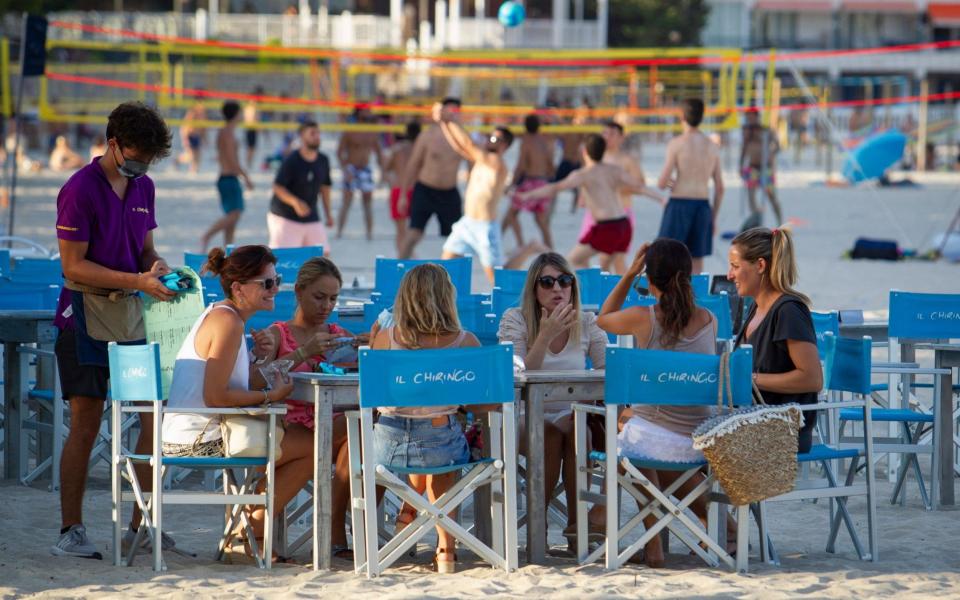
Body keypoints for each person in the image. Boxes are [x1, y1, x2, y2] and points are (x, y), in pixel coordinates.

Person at [51, 101, 174, 559]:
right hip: (83, 314)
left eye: (150, 158)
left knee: (149, 416)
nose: (142, 165)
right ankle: (71, 528)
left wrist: (154, 268)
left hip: (130, 315)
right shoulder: (79, 189)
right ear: (114, 143)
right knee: (85, 422)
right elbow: (73, 265)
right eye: (138, 155)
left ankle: (141, 525)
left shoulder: (145, 186)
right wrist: (137, 280)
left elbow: (145, 249)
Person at [161, 245, 312, 563]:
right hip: (198, 439)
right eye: (267, 283)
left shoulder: (224, 317)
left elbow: (237, 384)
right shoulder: (227, 323)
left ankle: (245, 534)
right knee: (313, 447)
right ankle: (247, 534)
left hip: (193, 431)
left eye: (277, 280)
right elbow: (216, 397)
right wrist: (271, 397)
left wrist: (262, 357)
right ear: (238, 287)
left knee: (294, 442)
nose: (275, 289)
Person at [596, 238, 735, 567]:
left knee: (630, 434)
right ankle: (721, 526)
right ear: (688, 275)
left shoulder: (643, 317)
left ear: (649, 277)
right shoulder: (709, 320)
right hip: (700, 442)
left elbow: (603, 318)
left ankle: (653, 542)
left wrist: (628, 273)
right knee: (638, 427)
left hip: (655, 442)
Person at [248, 256, 368, 558]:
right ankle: (331, 532)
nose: (326, 305)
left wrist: (368, 348)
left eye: (333, 299)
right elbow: (254, 381)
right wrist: (304, 352)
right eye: (319, 297)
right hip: (285, 429)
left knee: (358, 439)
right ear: (299, 291)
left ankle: (255, 526)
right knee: (355, 436)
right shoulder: (277, 334)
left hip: (329, 427)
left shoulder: (339, 335)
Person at [370, 264, 482, 574]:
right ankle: (446, 548)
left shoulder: (386, 337)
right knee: (442, 453)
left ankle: (406, 521)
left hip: (386, 448)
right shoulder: (466, 341)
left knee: (426, 448)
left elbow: (376, 397)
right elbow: (485, 404)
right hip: (440, 444)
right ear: (448, 298)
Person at [497, 252, 607, 548]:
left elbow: (609, 370)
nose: (557, 288)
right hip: (522, 415)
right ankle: (538, 527)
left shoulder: (585, 320)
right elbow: (516, 376)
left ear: (573, 286)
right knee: (547, 434)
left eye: (564, 281)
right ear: (534, 289)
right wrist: (545, 335)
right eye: (547, 282)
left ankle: (576, 528)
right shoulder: (515, 319)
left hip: (571, 417)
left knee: (576, 429)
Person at [727, 227, 822, 453]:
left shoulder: (788, 311)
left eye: (735, 266)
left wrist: (751, 379)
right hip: (754, 420)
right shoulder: (755, 307)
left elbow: (812, 379)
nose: (729, 275)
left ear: (760, 266)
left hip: (783, 429)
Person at [433, 104, 542, 282]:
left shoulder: (497, 163)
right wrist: (444, 124)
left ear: (504, 145)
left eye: (495, 139)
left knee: (498, 279)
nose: (490, 140)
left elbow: (468, 143)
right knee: (444, 267)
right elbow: (461, 148)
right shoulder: (482, 160)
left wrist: (450, 119)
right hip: (467, 222)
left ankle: (529, 248)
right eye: (490, 136)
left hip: (485, 228)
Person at [517, 134, 646, 271]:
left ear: (584, 152)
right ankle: (605, 290)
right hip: (623, 223)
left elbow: (555, 187)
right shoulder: (613, 170)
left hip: (608, 226)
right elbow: (640, 186)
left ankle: (597, 290)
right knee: (604, 265)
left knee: (573, 261)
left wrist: (528, 195)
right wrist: (661, 198)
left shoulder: (583, 174)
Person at [578, 121, 665, 273]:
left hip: (620, 213)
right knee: (583, 257)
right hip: (595, 214)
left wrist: (616, 188)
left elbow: (640, 185)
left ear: (621, 138)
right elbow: (586, 178)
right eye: (605, 133)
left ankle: (618, 293)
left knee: (616, 260)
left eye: (612, 134)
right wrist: (583, 196)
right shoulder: (596, 157)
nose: (607, 137)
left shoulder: (627, 160)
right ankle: (597, 289)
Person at [656, 97, 724, 274]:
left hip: (679, 203)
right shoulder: (712, 146)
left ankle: (670, 300)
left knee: (668, 257)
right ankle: (694, 299)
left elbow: (662, 183)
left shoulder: (677, 144)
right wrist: (713, 217)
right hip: (702, 206)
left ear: (682, 116)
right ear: (702, 117)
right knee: (696, 262)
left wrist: (671, 181)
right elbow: (720, 188)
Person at [397, 97, 465, 259]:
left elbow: (474, 165)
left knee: (457, 239)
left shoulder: (463, 138)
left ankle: (452, 278)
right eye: (448, 111)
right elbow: (413, 165)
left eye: (455, 112)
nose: (451, 115)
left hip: (449, 192)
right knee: (413, 235)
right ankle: (397, 271)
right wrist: (403, 195)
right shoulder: (427, 136)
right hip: (426, 189)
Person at [267, 120, 335, 249]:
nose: (317, 137)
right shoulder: (292, 159)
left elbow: (325, 188)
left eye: (318, 133)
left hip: (311, 215)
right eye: (312, 133)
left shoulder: (323, 160)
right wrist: (295, 202)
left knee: (322, 256)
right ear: (302, 137)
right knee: (286, 259)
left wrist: (328, 214)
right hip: (285, 215)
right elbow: (277, 187)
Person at [200, 101, 255, 251]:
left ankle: (228, 250)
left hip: (226, 178)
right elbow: (232, 160)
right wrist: (247, 178)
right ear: (236, 114)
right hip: (228, 179)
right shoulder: (228, 133)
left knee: (232, 219)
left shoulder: (223, 131)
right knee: (234, 215)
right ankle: (207, 236)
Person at [501, 113, 556, 249]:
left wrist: (511, 184)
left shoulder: (526, 142)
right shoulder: (544, 141)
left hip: (530, 182)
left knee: (511, 214)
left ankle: (519, 244)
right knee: (541, 220)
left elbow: (521, 166)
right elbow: (551, 166)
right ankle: (550, 247)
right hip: (543, 182)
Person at [336, 107, 383, 240]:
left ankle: (369, 234)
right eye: (366, 111)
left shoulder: (372, 132)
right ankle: (339, 232)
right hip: (351, 168)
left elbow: (379, 152)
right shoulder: (350, 131)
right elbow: (339, 152)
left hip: (366, 169)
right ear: (359, 113)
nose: (369, 113)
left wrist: (383, 173)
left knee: (367, 203)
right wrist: (345, 170)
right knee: (346, 202)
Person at [739, 110, 783, 227]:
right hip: (752, 167)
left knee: (771, 196)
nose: (749, 120)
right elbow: (744, 148)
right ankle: (757, 219)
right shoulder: (746, 131)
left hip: (766, 168)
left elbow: (778, 146)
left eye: (751, 117)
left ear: (757, 117)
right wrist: (741, 165)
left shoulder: (766, 130)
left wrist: (771, 153)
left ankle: (780, 222)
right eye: (747, 117)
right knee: (751, 196)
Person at [383, 120, 420, 256]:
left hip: (398, 189)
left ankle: (402, 258)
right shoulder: (420, 148)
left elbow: (385, 169)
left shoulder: (397, 149)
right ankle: (408, 255)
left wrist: (392, 181)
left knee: (400, 230)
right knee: (414, 230)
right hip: (415, 190)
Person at [178, 101, 206, 174]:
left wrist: (204, 138)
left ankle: (194, 170)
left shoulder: (202, 115)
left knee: (198, 155)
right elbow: (184, 128)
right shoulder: (192, 114)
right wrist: (185, 139)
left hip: (196, 136)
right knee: (190, 156)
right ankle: (177, 160)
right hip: (189, 136)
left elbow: (203, 129)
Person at [243, 87, 263, 170]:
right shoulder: (252, 107)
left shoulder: (249, 106)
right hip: (251, 128)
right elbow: (254, 118)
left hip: (250, 128)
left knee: (251, 148)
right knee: (251, 148)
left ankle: (249, 163)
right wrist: (258, 127)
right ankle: (248, 164)